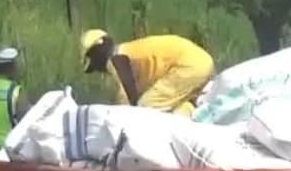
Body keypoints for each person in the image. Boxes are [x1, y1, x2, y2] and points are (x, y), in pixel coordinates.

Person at [79, 29, 214, 117]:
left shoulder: (117, 60)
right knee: (164, 103)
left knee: (145, 109)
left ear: (97, 53)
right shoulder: (128, 50)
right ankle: (188, 114)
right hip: (199, 61)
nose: (100, 71)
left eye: (95, 66)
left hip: (187, 67)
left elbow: (125, 102)